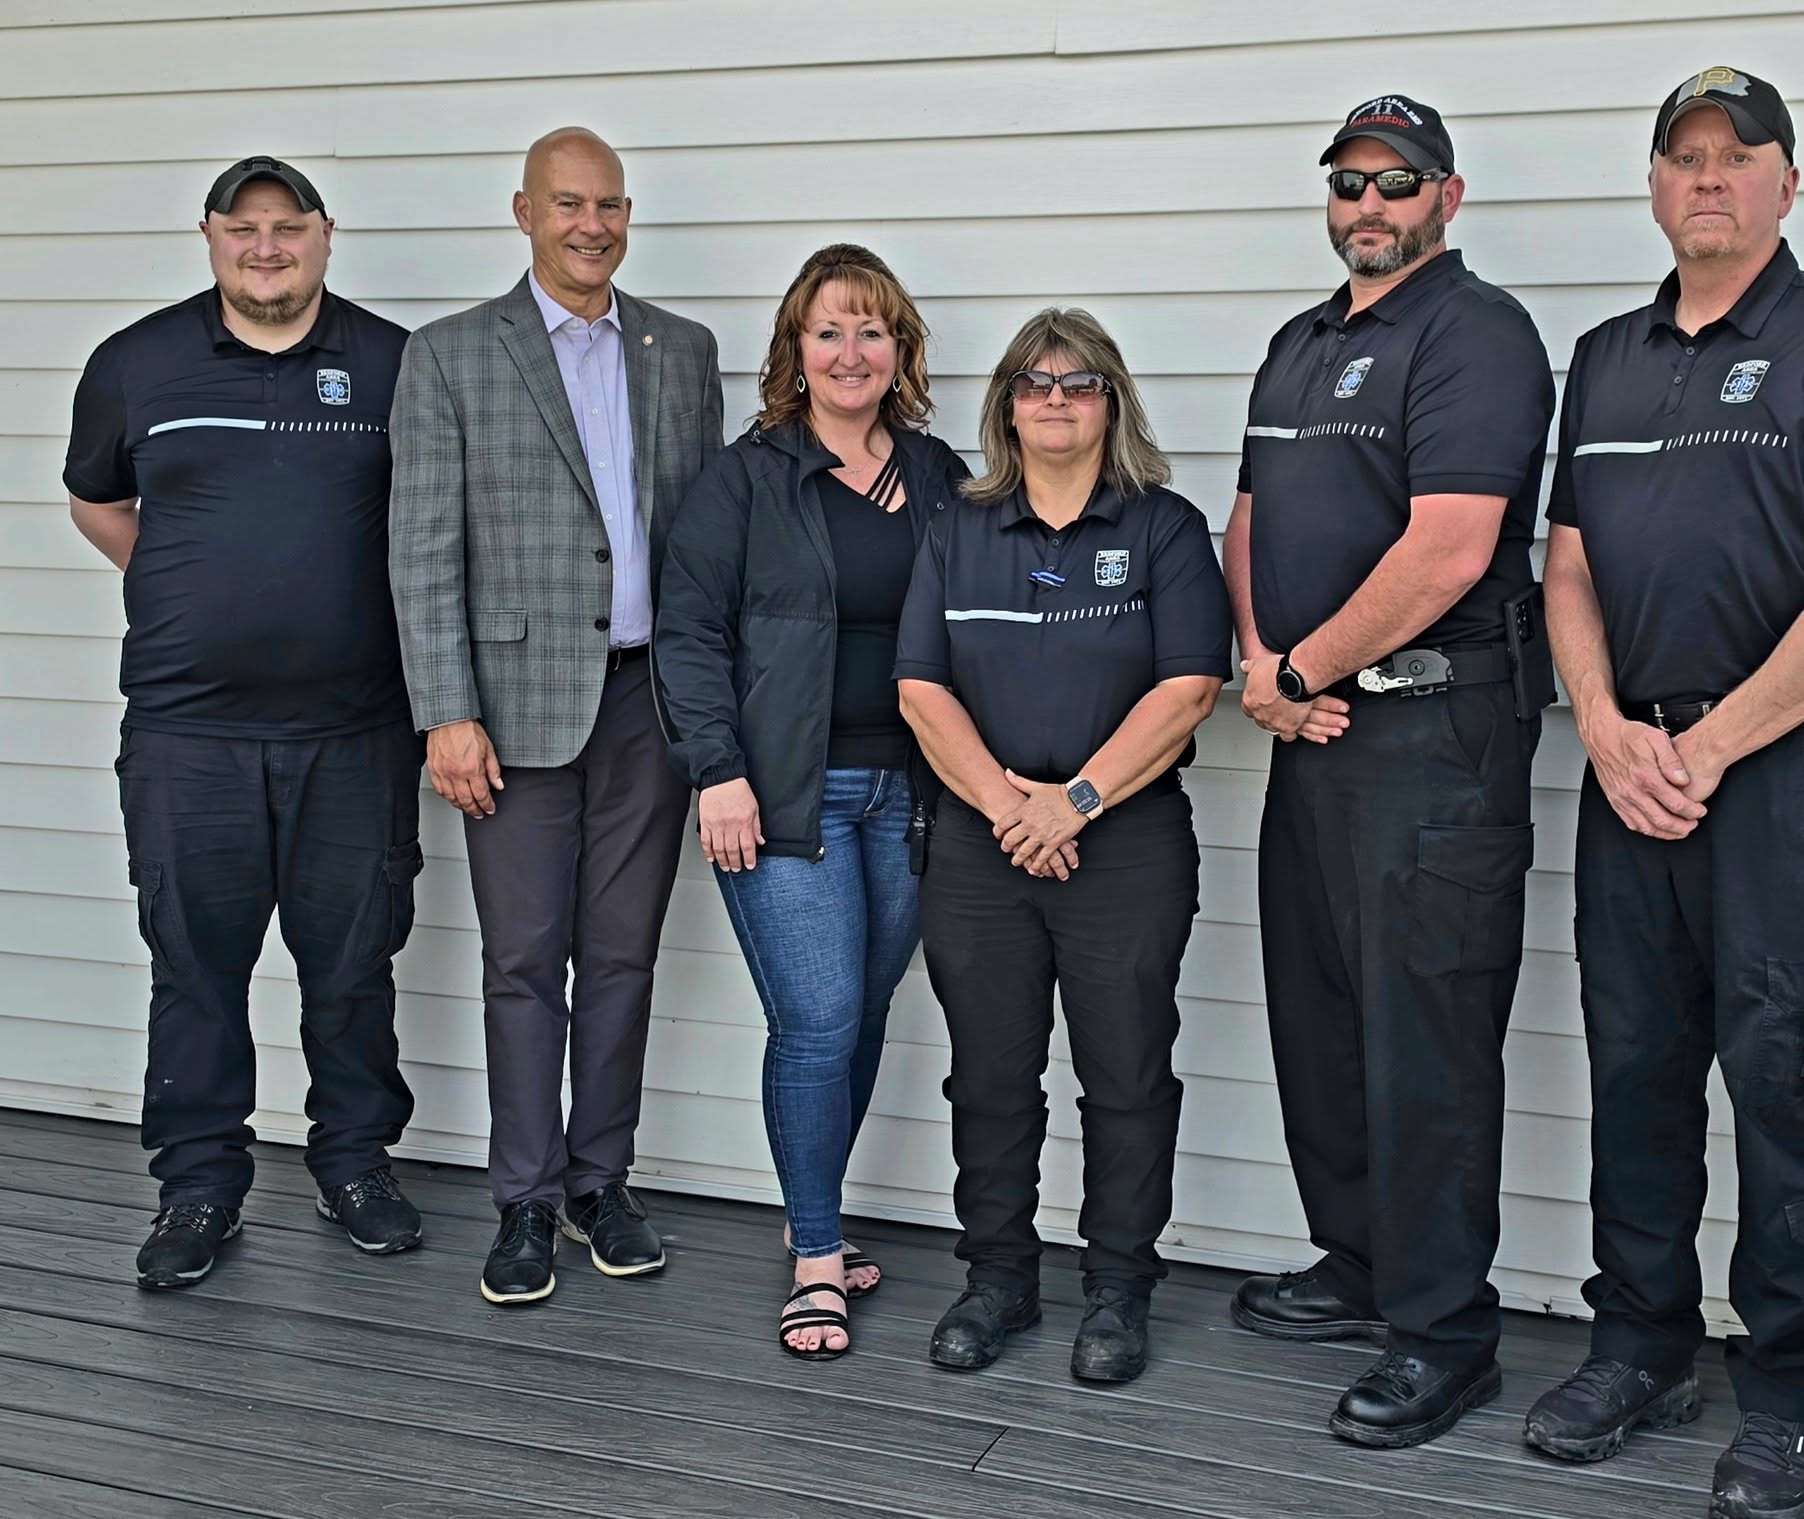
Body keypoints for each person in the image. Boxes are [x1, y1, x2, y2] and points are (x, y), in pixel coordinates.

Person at [1524, 69, 1804, 1518]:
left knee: (1789, 1083)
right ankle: (1638, 1346)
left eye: (1737, 155)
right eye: (1683, 157)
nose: (1708, 178)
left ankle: (1785, 1392)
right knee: (1636, 1071)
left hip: (1780, 782)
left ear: (1784, 184)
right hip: (1625, 772)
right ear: (1654, 186)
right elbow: (1567, 562)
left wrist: (1707, 750)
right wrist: (1601, 727)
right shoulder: (1605, 357)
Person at [1222, 95, 1556, 1447]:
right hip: (1311, 727)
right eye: (1349, 180)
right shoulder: (1299, 344)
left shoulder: (1477, 335)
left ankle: (1442, 1330)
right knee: (1322, 1015)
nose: (1369, 203)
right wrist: (1263, 663)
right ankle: (1360, 1263)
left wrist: (1300, 670)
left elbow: (1450, 546)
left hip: (1434, 736)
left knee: (1426, 1037)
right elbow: (1249, 518)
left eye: (1397, 180)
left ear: (1446, 197)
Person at [64, 155, 426, 1289]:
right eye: (243, 227)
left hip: (354, 734)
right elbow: (97, 500)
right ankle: (199, 1185)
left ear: (325, 234)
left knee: (353, 968)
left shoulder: (394, 364)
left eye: (288, 226)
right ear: (211, 236)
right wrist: (195, 590)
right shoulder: (136, 362)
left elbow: (432, 525)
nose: (266, 247)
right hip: (188, 734)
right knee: (196, 969)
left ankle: (354, 1164)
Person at [388, 126, 723, 1306]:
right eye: (569, 204)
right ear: (524, 211)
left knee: (624, 954)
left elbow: (702, 544)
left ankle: (599, 1183)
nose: (593, 225)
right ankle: (524, 1198)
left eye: (610, 205)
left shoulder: (682, 351)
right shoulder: (449, 356)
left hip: (647, 700)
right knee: (524, 961)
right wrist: (446, 711)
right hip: (512, 710)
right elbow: (422, 550)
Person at [897, 308, 1231, 1386]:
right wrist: (1013, 808)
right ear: (1004, 406)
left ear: (1110, 403)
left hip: (1124, 847)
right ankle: (997, 1278)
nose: (1054, 399)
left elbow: (1189, 688)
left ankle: (1118, 1288)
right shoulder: (955, 529)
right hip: (980, 846)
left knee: (1124, 1074)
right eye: (1033, 383)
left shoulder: (1164, 529)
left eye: (1077, 382)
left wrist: (1073, 803)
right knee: (990, 1076)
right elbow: (920, 689)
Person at [656, 244, 966, 1359]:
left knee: (865, 1010)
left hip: (912, 794)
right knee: (818, 1018)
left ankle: (812, 1211)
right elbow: (688, 633)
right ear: (795, 347)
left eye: (871, 330)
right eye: (828, 330)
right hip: (791, 794)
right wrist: (716, 769)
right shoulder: (745, 479)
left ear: (900, 349)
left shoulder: (937, 475)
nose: (850, 351)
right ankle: (819, 1260)